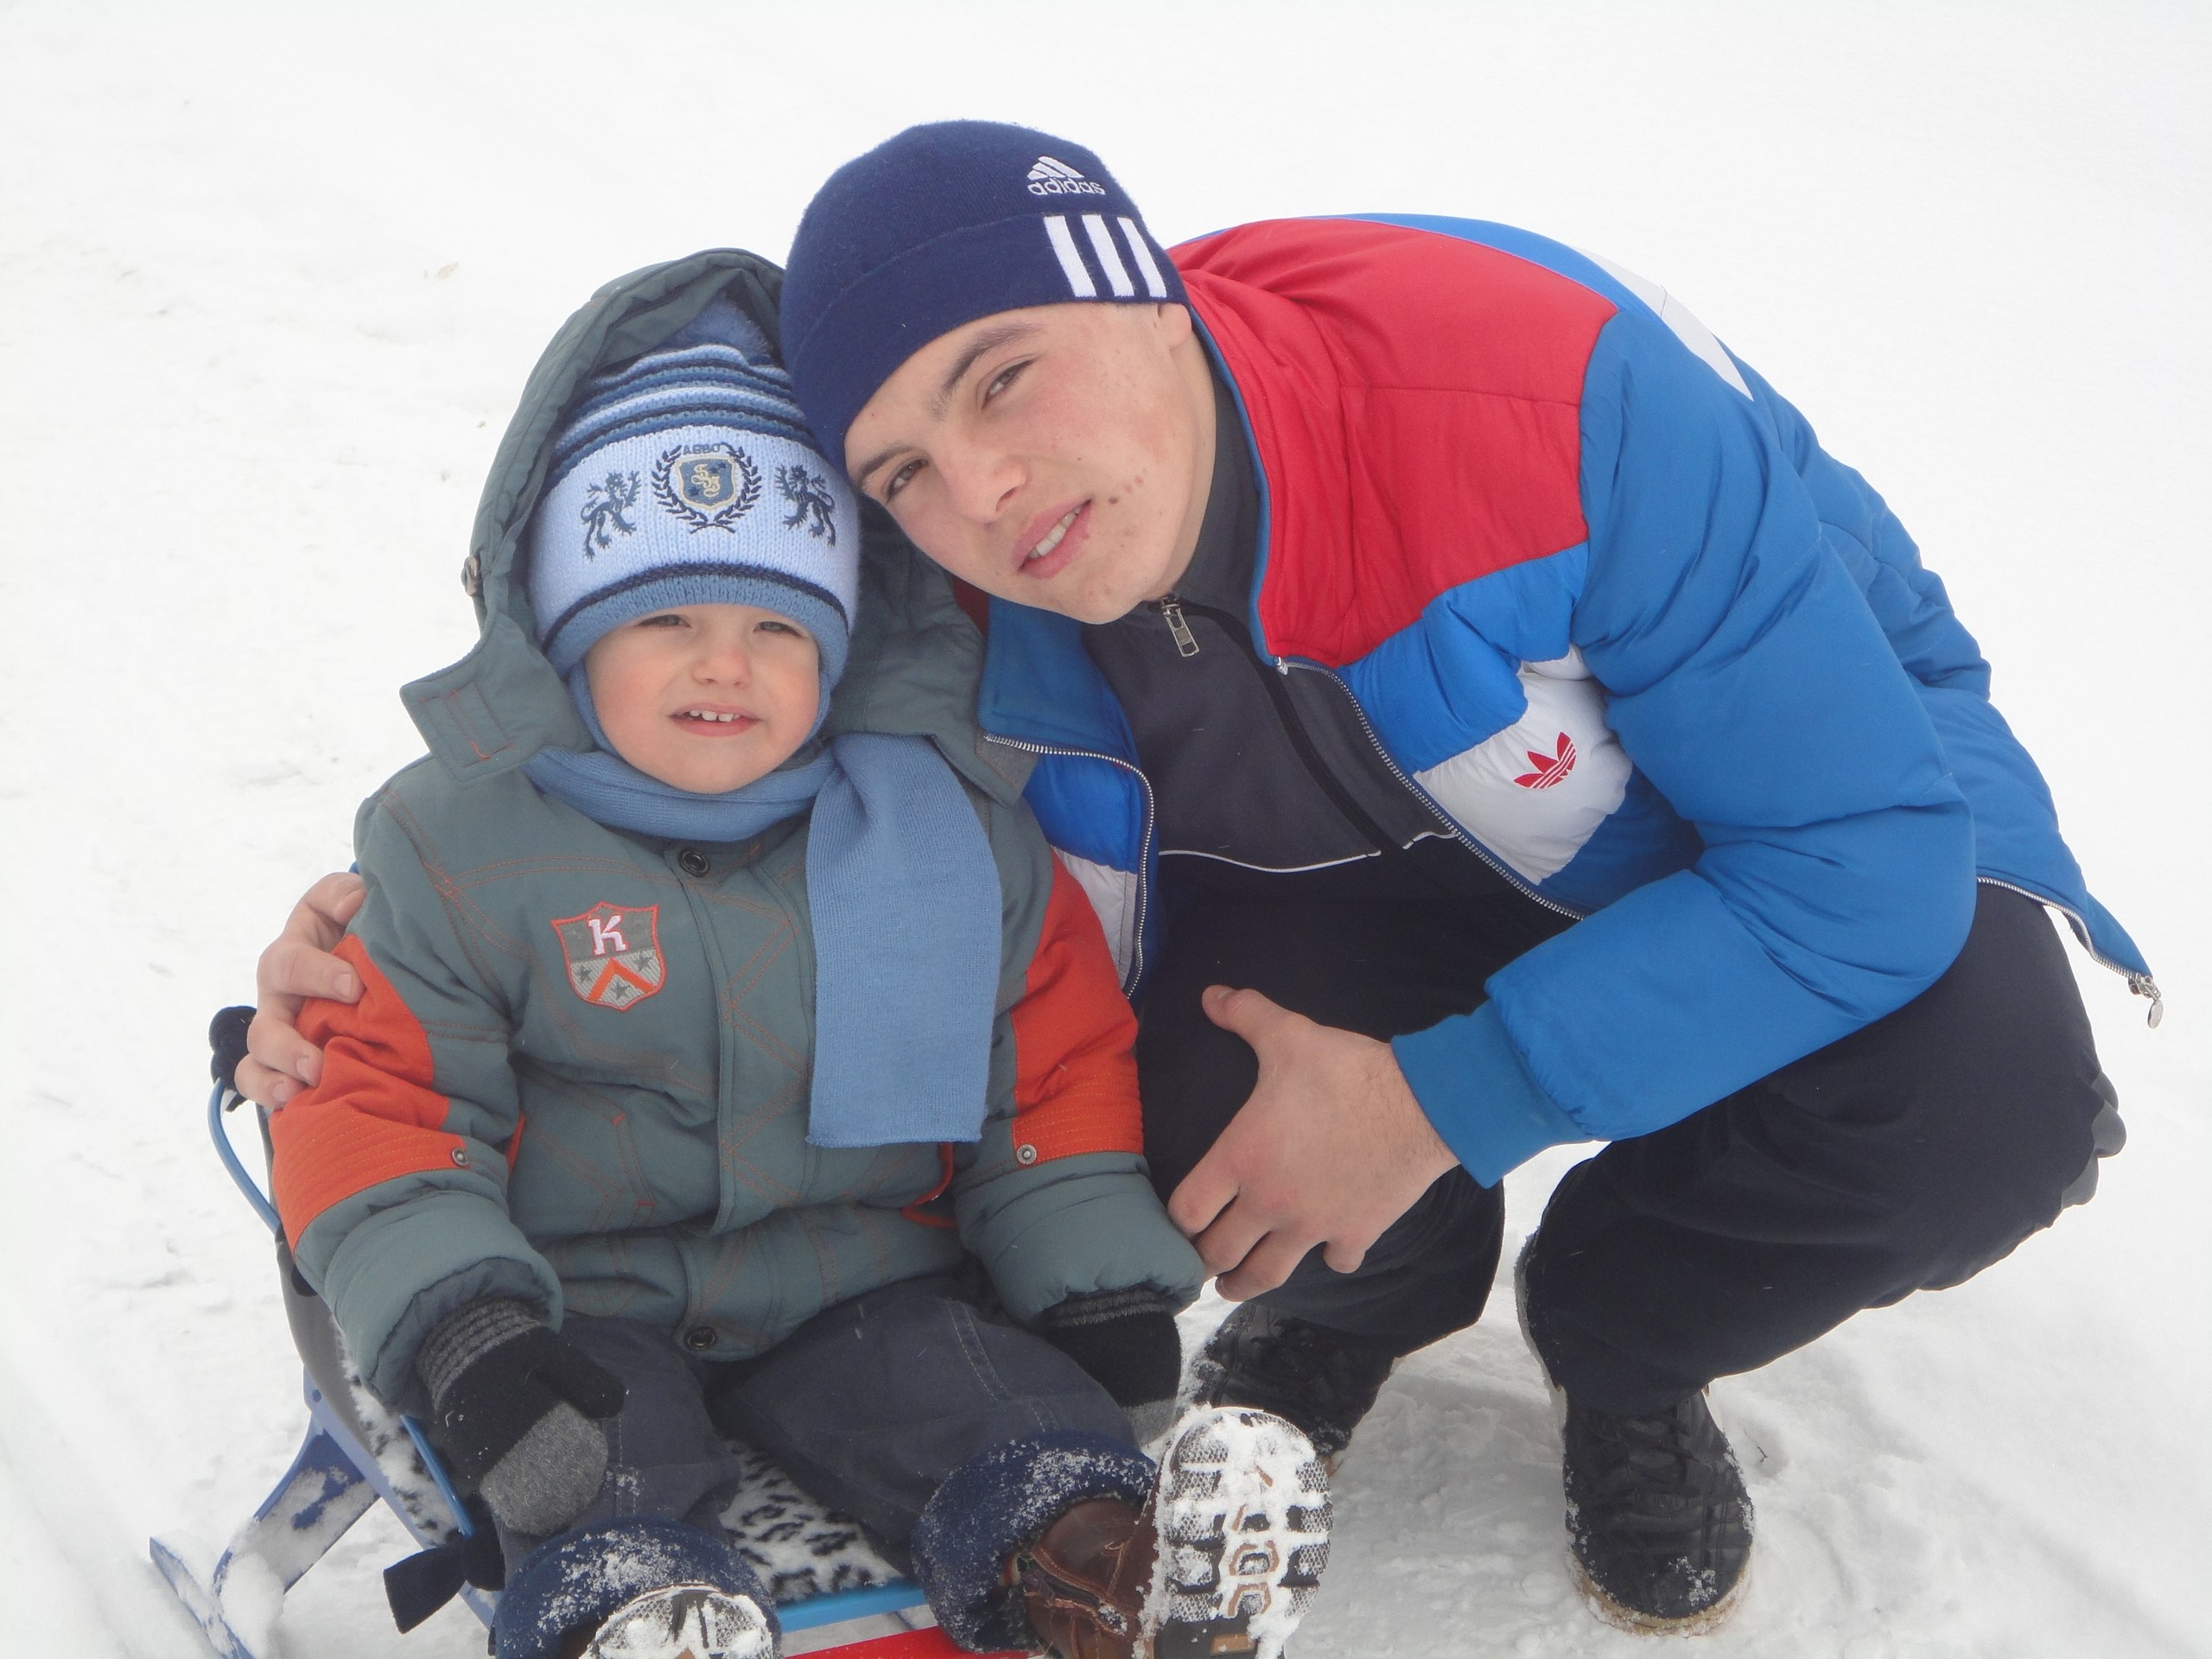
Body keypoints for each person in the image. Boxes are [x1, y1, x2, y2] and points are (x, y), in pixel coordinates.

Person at [763, 123, 2154, 1632]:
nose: (980, 491)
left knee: (1983, 1110)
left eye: (1002, 378)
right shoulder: (952, 613)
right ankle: (1359, 1299)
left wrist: (1441, 1102)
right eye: (902, 469)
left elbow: (1855, 859)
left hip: (1760, 805)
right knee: (1141, 1103)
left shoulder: (1543, 397)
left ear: (1151, 297)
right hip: (1323, 878)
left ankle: (1627, 1342)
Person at [259, 261, 1331, 1659]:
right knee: (583, 1463)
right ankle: (639, 1613)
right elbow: (386, 1117)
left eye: (779, 626)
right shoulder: (455, 845)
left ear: (838, 649)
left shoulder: (947, 831)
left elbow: (1046, 1075)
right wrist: (473, 1334)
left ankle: (1115, 1576)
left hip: (868, 1282)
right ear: (568, 637)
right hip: (580, 1297)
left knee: (999, 1410)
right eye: (665, 621)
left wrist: (1095, 1285)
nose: (727, 667)